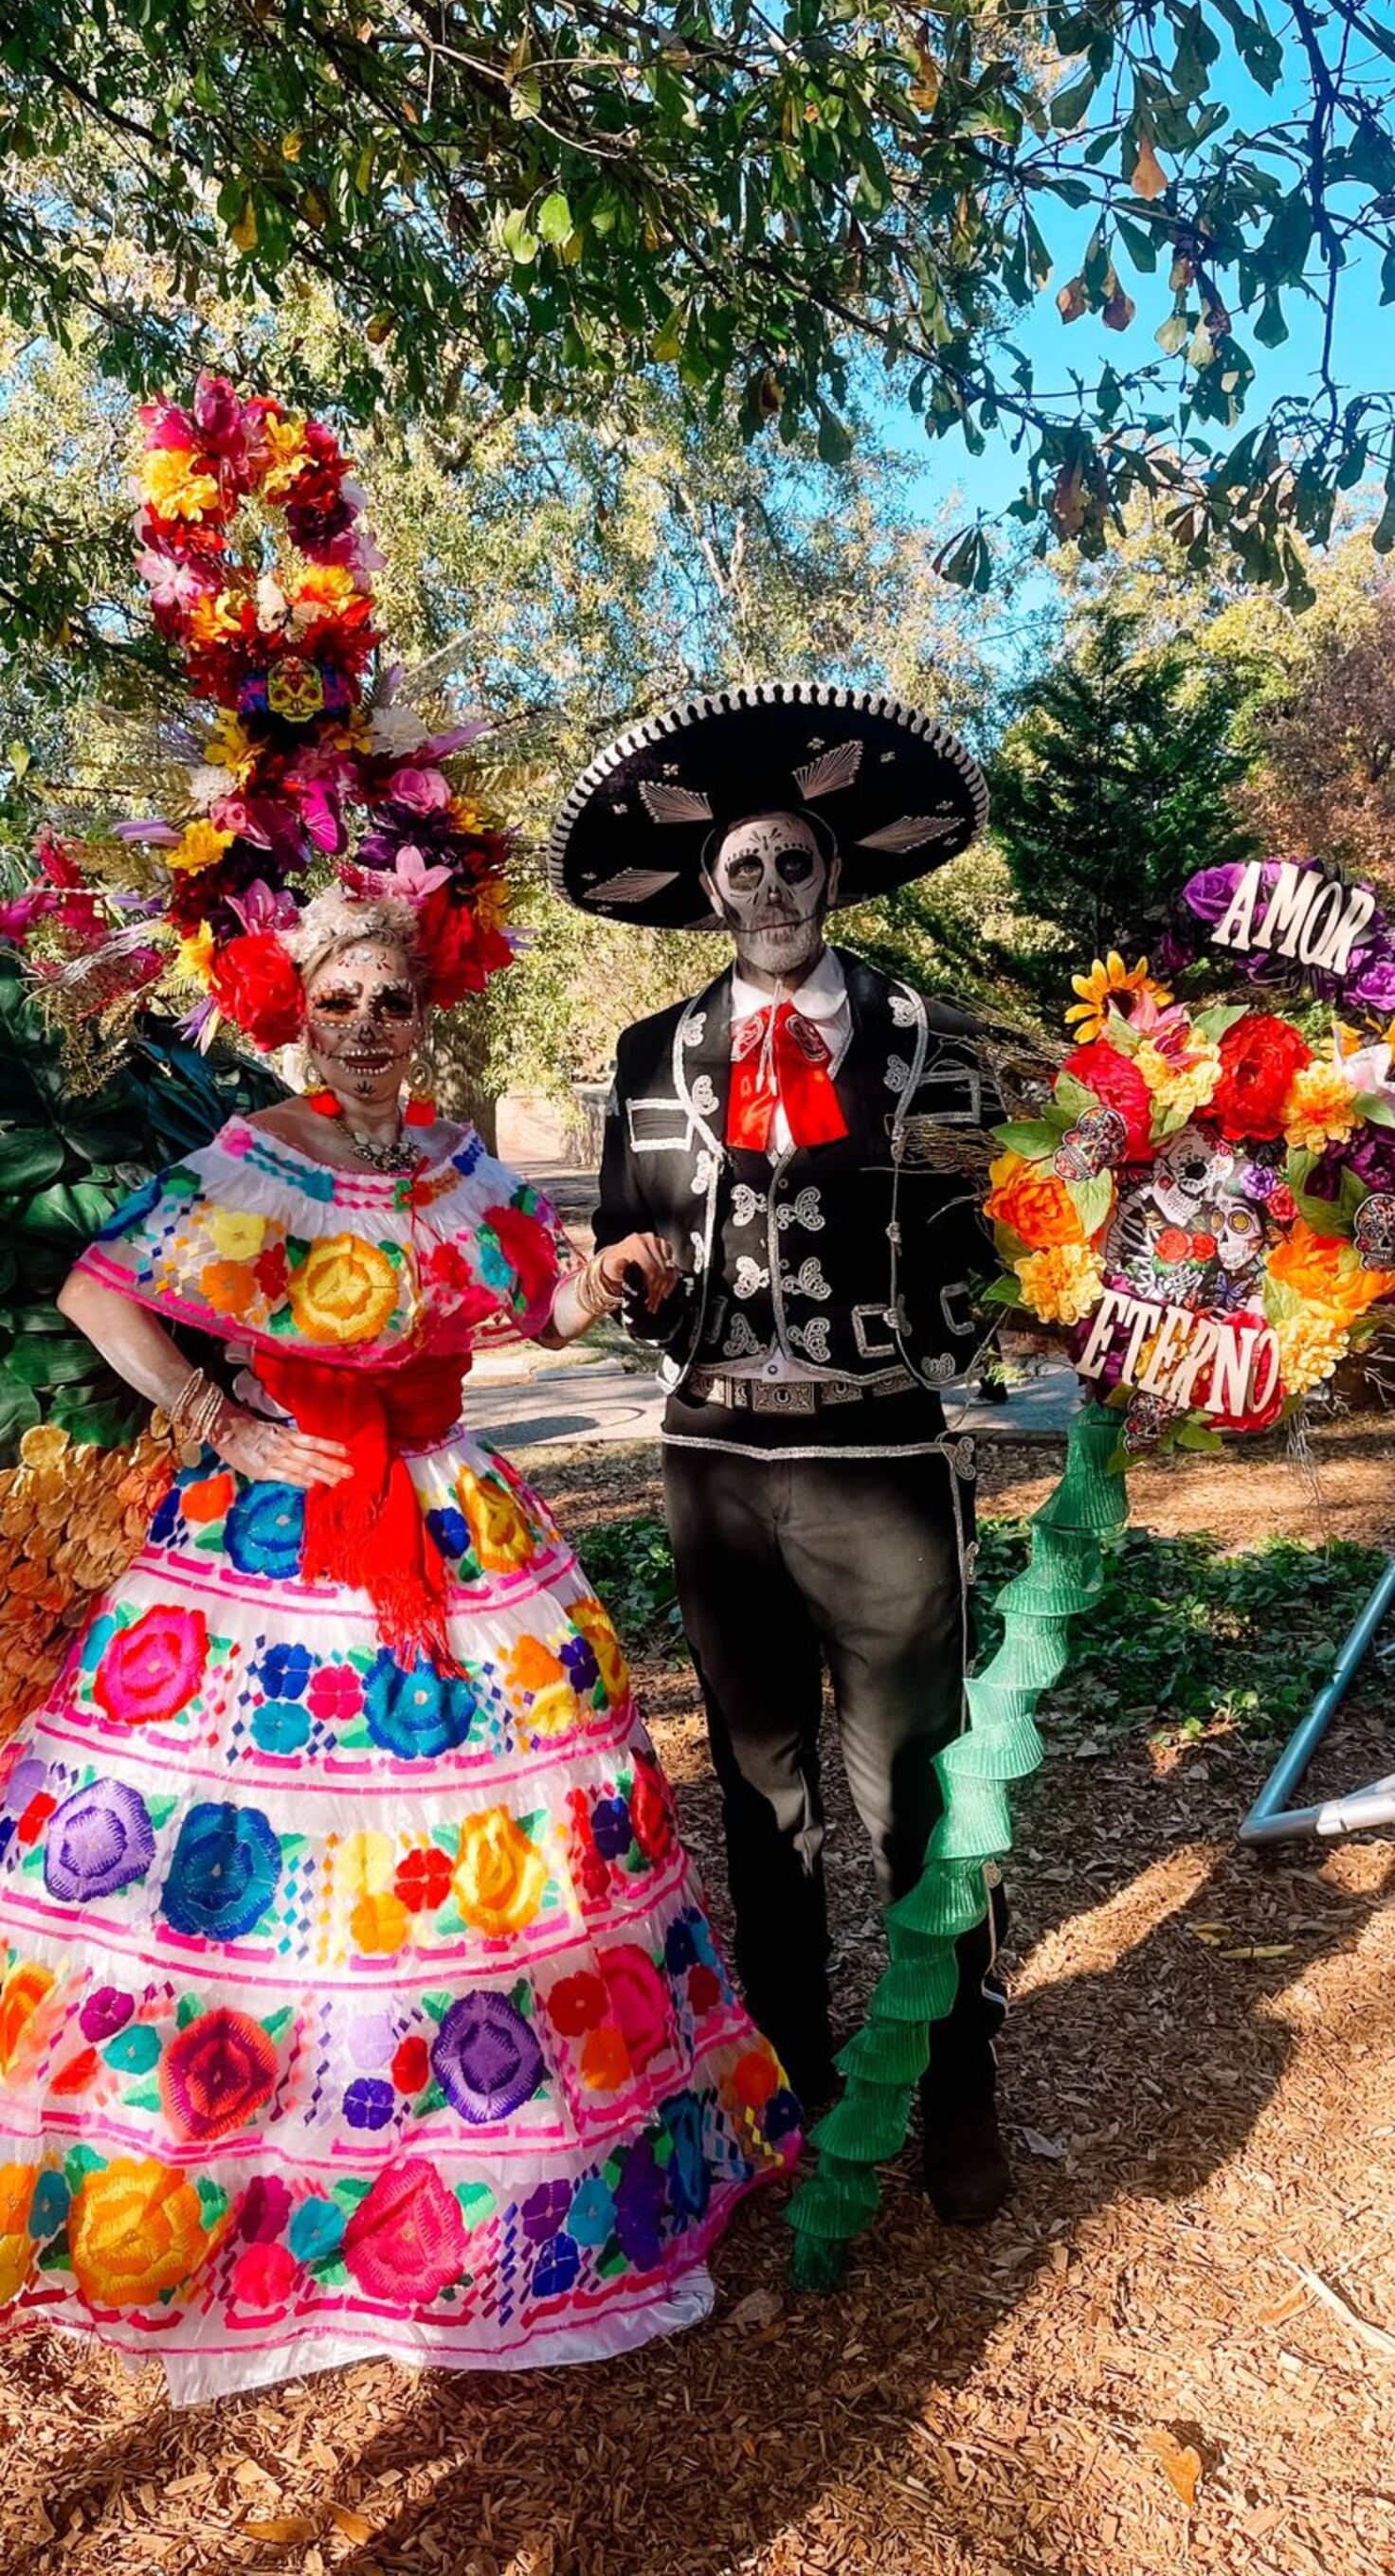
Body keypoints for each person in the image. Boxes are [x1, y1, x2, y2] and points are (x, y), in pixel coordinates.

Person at [0, 881, 799, 2401]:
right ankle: (236, 2173)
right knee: (249, 1843)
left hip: (449, 1518)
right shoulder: (254, 1159)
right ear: (297, 1015)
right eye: (340, 1006)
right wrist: (217, 1420)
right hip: (278, 1532)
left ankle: (463, 2167)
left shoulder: (455, 1158)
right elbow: (97, 1289)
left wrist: (612, 1271)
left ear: (425, 1018)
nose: (367, 1032)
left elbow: (539, 1312)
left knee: (471, 1843)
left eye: (393, 1006)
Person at [549, 679, 1012, 2224]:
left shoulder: (936, 1043)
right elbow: (622, 1233)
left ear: (836, 872)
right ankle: (795, 2084)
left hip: (883, 1457)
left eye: (792, 864)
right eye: (739, 871)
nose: (767, 895)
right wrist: (634, 1280)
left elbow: (1002, 1246)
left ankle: (955, 2086)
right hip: (717, 1459)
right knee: (762, 1793)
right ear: (708, 891)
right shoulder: (649, 1052)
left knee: (918, 1792)